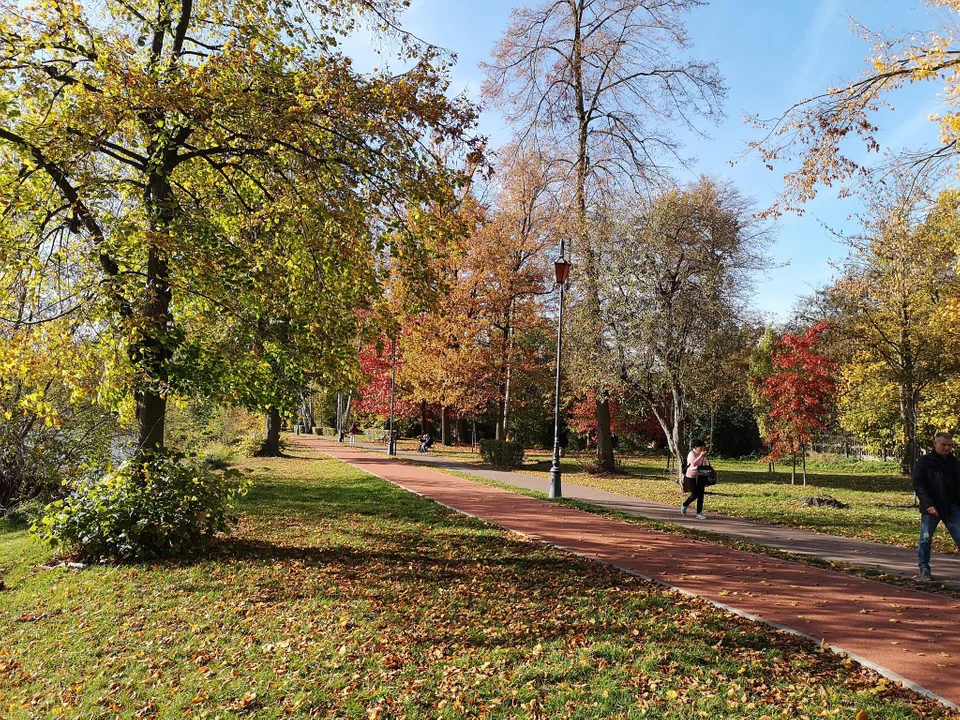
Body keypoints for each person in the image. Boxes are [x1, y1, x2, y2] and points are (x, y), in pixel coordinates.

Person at [912, 432, 960, 582]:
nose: (947, 448)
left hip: (951, 507)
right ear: (935, 444)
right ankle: (924, 570)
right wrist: (927, 504)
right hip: (931, 507)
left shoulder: (954, 462)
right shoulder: (925, 461)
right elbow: (918, 484)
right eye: (943, 445)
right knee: (925, 538)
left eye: (949, 445)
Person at [681, 439, 710, 519]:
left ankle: (699, 513)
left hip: (700, 476)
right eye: (700, 447)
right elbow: (694, 463)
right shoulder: (692, 454)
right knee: (694, 495)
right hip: (691, 476)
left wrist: (704, 459)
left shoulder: (702, 454)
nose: (702, 449)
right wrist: (701, 456)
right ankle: (685, 504)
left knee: (701, 495)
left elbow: (704, 464)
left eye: (703, 447)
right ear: (696, 447)